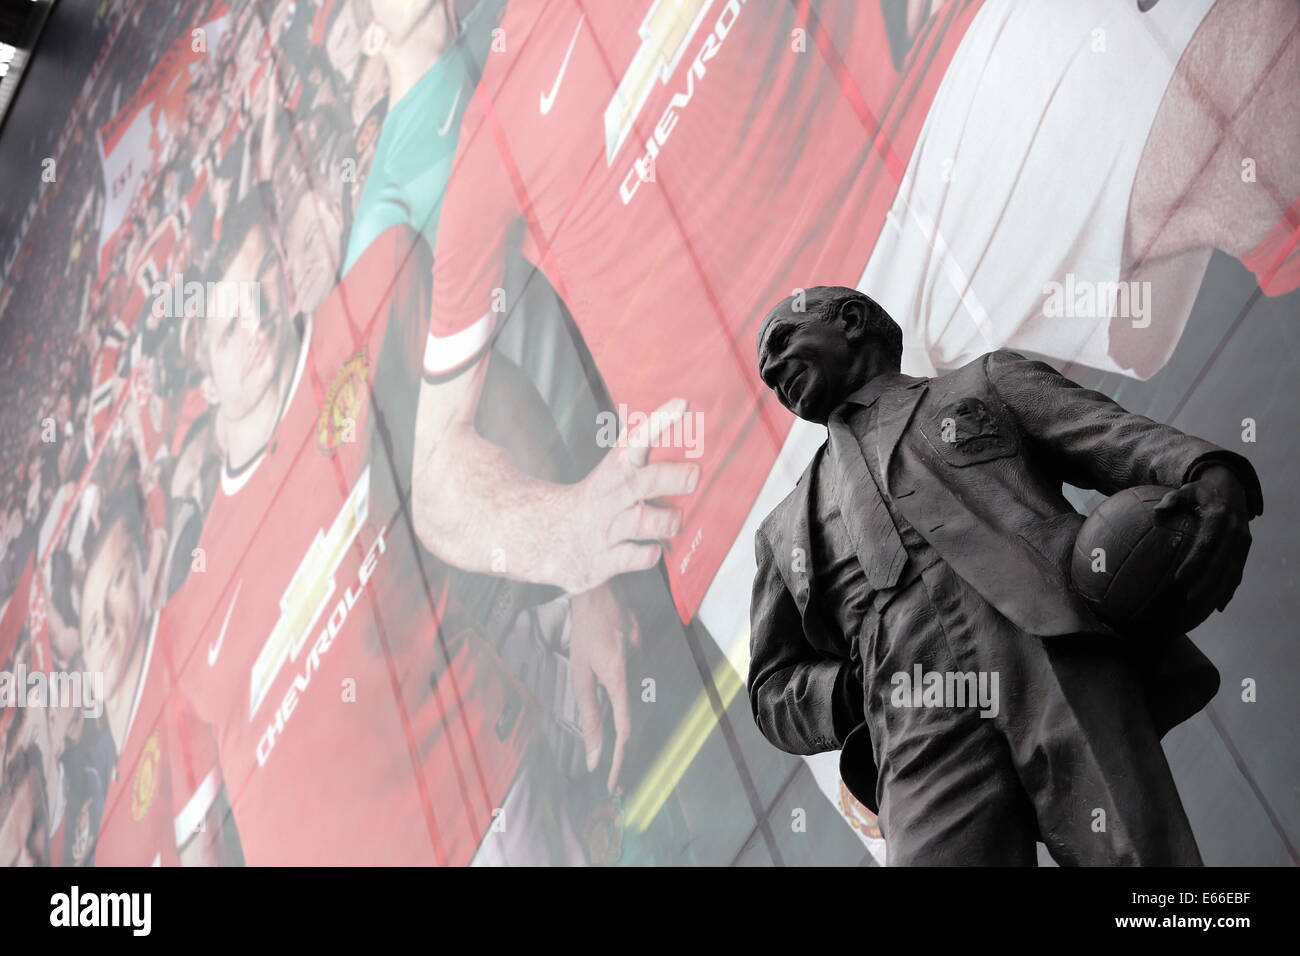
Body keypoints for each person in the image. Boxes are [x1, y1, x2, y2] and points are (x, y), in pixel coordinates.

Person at [747, 286, 1262, 865]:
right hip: (911, 715)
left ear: (850, 319)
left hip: (1046, 648)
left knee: (1137, 857)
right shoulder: (783, 530)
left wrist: (1211, 471)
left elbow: (1112, 436)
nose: (771, 370)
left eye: (782, 340)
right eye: (765, 372)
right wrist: (847, 694)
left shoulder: (983, 384)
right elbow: (771, 687)